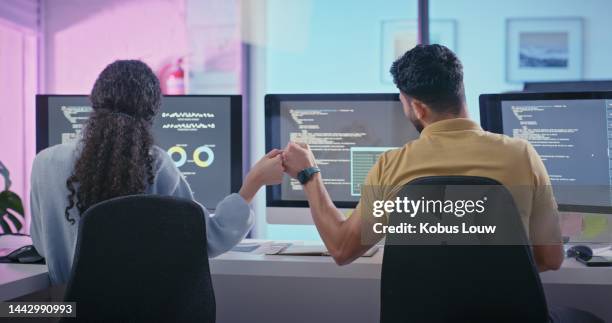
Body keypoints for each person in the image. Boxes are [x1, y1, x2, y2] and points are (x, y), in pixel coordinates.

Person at [281, 44, 564, 271]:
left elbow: (342, 249)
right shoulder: (522, 155)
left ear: (417, 107)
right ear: (460, 91)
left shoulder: (392, 168)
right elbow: (551, 259)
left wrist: (309, 175)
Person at [30, 60, 284, 284]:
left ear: (94, 102)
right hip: (142, 313)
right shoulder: (155, 164)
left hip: (69, 312)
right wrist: (254, 182)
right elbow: (208, 239)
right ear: (151, 114)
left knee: (11, 312)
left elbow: (43, 246)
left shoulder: (44, 163)